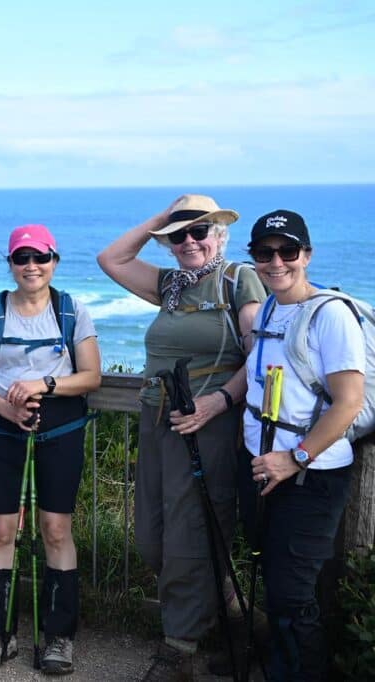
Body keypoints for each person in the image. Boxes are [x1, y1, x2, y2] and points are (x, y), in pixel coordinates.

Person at [97, 195, 265, 680]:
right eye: (180, 235)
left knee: (191, 534)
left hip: (208, 425)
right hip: (157, 421)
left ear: (219, 235)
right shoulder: (170, 285)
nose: (190, 241)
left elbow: (257, 354)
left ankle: (178, 650)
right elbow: (111, 259)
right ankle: (240, 618)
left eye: (200, 231)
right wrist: (160, 221)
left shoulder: (238, 279)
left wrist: (220, 402)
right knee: (151, 536)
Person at [0, 224, 101, 675]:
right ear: (10, 264)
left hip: (60, 428)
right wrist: (7, 409)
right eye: (21, 258)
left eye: (40, 258)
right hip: (5, 429)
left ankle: (59, 637)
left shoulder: (71, 310)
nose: (31, 266)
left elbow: (92, 376)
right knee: (4, 531)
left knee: (55, 529)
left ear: (54, 262)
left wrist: (45, 384)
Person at [242, 211, 365, 681]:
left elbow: (348, 401)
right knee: (276, 584)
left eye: (287, 251)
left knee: (293, 592)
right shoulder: (271, 307)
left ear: (306, 256)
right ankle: (280, 668)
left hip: (311, 474)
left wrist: (294, 459)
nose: (276, 262)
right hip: (264, 464)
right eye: (264, 253)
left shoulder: (330, 314)